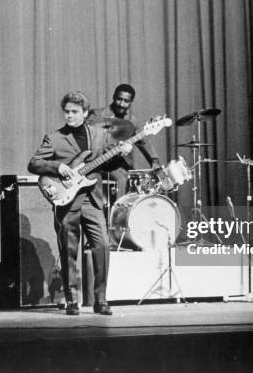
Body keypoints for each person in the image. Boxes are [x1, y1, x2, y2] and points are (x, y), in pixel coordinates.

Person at [28, 92, 132, 315]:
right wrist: (58, 167)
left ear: (85, 113)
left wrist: (122, 153)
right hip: (67, 201)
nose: (69, 116)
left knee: (102, 246)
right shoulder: (55, 137)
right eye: (67, 112)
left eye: (74, 112)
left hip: (93, 199)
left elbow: (107, 163)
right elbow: (34, 163)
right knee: (68, 252)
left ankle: (101, 300)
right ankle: (71, 300)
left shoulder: (98, 134)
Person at [88, 83, 160, 197]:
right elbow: (88, 137)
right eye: (119, 99)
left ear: (131, 102)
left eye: (126, 101)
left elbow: (143, 141)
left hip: (120, 164)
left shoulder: (132, 121)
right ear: (113, 97)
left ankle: (129, 211)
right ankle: (116, 212)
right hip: (99, 163)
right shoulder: (98, 114)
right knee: (122, 179)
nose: (122, 104)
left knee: (139, 180)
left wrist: (154, 160)